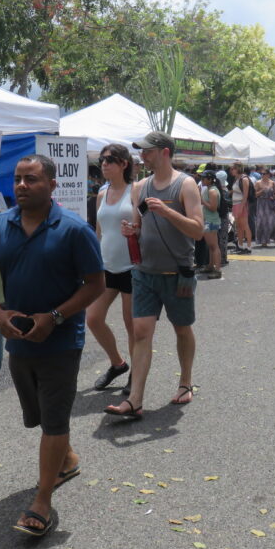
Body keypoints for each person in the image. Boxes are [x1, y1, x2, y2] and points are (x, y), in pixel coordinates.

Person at [0, 154, 104, 537]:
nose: (21, 186)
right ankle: (67, 459)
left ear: (51, 185)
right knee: (40, 416)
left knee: (55, 418)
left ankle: (42, 501)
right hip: (18, 340)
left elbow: (94, 284)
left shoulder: (75, 229)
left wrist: (56, 318)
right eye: (17, 179)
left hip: (61, 341)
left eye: (31, 179)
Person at [106, 131, 204, 418]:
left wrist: (168, 213)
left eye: (147, 151)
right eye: (141, 151)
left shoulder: (186, 185)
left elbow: (198, 230)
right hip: (144, 272)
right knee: (141, 332)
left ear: (164, 152)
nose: (142, 156)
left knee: (182, 328)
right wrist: (131, 231)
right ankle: (135, 400)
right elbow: (139, 225)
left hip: (178, 273)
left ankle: (185, 382)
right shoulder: (140, 187)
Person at [88, 144, 136, 392]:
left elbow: (146, 225)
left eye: (109, 160)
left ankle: (136, 375)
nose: (104, 164)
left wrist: (136, 231)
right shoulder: (102, 193)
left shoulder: (135, 191)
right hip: (106, 267)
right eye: (102, 160)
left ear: (123, 164)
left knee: (132, 325)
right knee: (93, 318)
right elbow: (100, 230)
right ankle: (118, 363)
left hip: (131, 267)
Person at [198, 170, 223, 278]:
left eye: (203, 178)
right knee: (211, 246)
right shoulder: (208, 189)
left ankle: (217, 270)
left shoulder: (212, 191)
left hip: (211, 221)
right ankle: (210, 266)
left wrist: (202, 201)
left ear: (209, 179)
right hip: (208, 220)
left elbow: (213, 208)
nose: (201, 180)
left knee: (214, 246)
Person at [229, 163, 253, 254]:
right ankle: (240, 245)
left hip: (241, 204)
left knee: (245, 225)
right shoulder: (237, 178)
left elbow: (245, 195)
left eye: (233, 168)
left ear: (237, 168)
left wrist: (241, 208)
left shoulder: (244, 179)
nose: (231, 170)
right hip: (236, 204)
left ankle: (249, 247)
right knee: (239, 226)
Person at [254, 168, 275, 247]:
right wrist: (262, 191)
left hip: (270, 204)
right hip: (261, 204)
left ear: (268, 175)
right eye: (262, 174)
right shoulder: (258, 183)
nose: (263, 175)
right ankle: (263, 241)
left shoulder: (272, 182)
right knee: (262, 223)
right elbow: (255, 195)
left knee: (273, 222)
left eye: (264, 174)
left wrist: (274, 197)